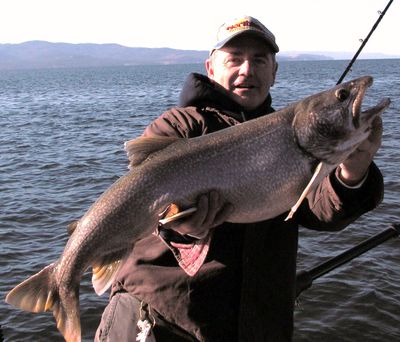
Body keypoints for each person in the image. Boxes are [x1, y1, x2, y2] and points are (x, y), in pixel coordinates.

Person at [95, 15, 384, 342]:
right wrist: (179, 221)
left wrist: (352, 171)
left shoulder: (294, 137)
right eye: (235, 59)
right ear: (210, 67)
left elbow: (316, 210)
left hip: (255, 324)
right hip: (158, 318)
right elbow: (145, 197)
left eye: (260, 60)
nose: (248, 69)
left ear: (274, 72)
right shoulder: (178, 127)